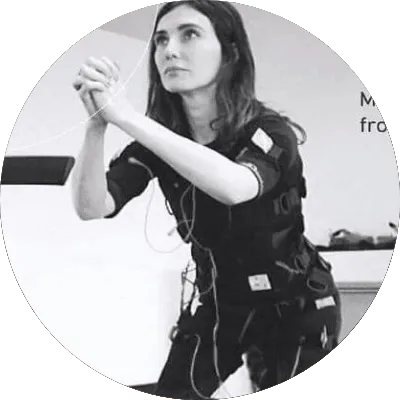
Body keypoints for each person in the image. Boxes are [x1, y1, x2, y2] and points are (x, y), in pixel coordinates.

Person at [71, 0, 342, 397]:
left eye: (190, 35)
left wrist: (126, 116)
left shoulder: (270, 131)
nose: (170, 50)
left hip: (297, 304)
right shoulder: (159, 140)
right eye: (161, 40)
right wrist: (96, 128)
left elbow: (235, 187)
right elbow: (92, 206)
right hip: (221, 306)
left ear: (229, 52)